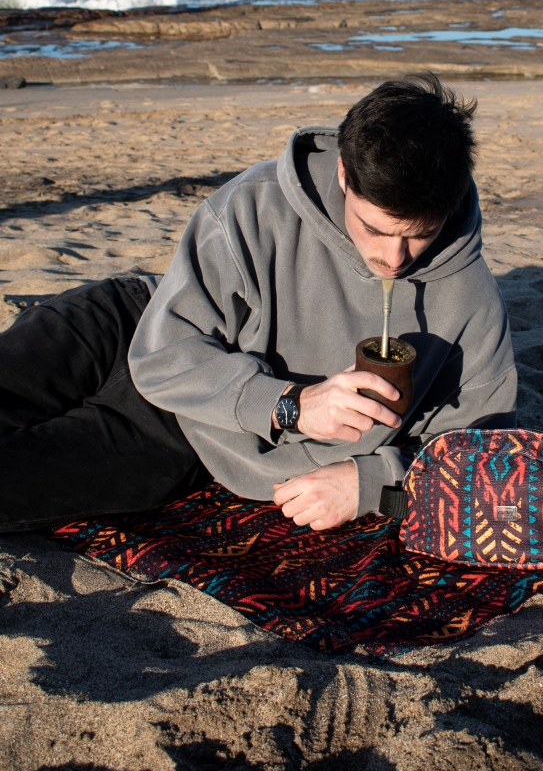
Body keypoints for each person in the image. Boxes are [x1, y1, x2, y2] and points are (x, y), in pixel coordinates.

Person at [0, 74, 516, 534]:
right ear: (344, 175)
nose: (395, 259)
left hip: (187, 432)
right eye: (375, 229)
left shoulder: (472, 301)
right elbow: (161, 354)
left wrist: (371, 482)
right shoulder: (254, 203)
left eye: (420, 235)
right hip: (129, 317)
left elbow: (486, 460)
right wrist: (291, 405)